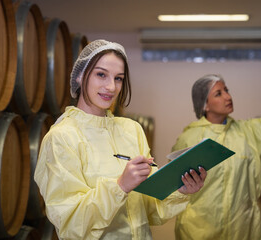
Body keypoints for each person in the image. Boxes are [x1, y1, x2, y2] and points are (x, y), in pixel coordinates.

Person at [34, 39, 207, 240]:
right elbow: (70, 223)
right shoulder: (61, 137)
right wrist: (120, 186)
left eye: (118, 78)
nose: (111, 87)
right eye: (101, 75)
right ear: (80, 77)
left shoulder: (131, 129)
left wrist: (181, 190)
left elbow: (150, 209)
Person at [172, 54, 261, 239]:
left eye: (227, 90)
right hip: (198, 232)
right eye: (219, 93)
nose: (228, 96)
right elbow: (174, 189)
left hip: (243, 231)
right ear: (205, 105)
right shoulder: (188, 139)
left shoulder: (249, 132)